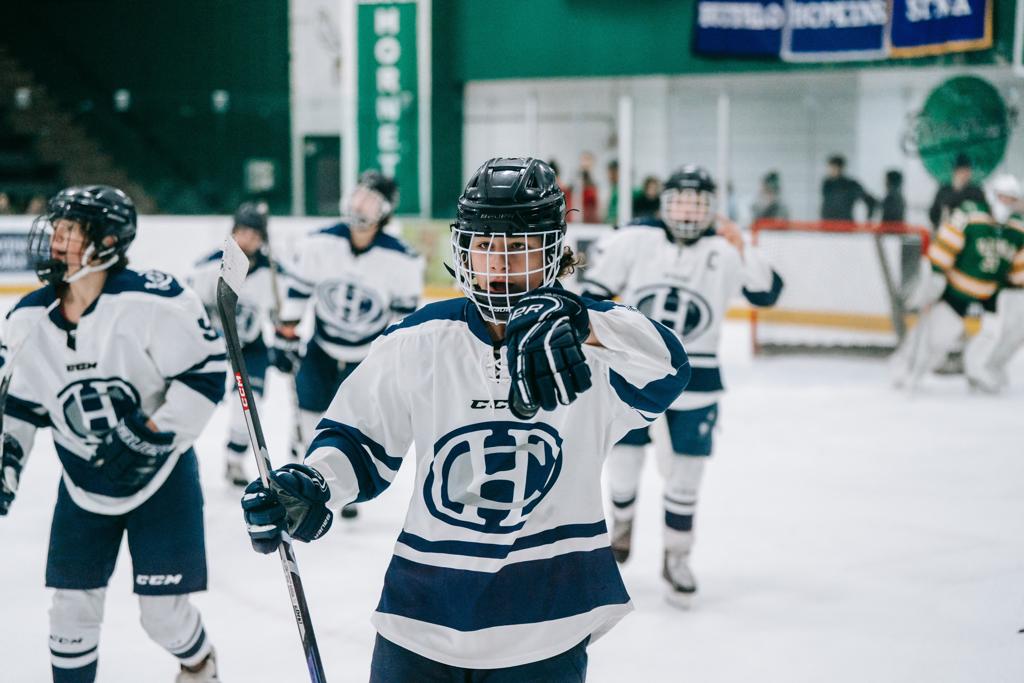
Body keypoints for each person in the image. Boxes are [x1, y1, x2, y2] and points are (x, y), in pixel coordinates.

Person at [239, 157, 691, 681]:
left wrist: (583, 322)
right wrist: (316, 483)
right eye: (483, 245)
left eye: (518, 248)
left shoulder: (592, 342)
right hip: (423, 613)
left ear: (553, 252)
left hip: (547, 621)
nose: (497, 264)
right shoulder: (420, 339)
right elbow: (358, 441)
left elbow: (669, 370)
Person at [0, 186, 226, 681]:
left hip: (161, 477)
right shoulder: (26, 318)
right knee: (68, 616)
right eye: (55, 232)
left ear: (105, 243)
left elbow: (207, 374)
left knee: (163, 618)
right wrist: (8, 457)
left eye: (68, 234)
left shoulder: (153, 301)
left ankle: (200, 663)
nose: (54, 243)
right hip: (84, 483)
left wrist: (151, 432)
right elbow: (17, 404)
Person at [581, 165, 783, 606]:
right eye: (681, 199)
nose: (688, 209)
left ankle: (676, 555)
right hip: (633, 370)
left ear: (713, 208)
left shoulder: (725, 248)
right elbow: (590, 290)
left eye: (698, 201)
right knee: (624, 458)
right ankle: (623, 523)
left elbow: (766, 292)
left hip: (700, 376)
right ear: (665, 202)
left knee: (688, 474)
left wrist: (744, 245)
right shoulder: (637, 238)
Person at [274, 170, 424, 518]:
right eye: (358, 195)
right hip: (322, 349)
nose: (360, 205)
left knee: (352, 424)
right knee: (310, 419)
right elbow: (299, 291)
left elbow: (401, 319)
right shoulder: (320, 242)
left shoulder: (402, 259)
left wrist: (391, 360)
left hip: (364, 358)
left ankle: (340, 486)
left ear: (384, 211)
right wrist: (287, 334)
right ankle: (303, 484)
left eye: (371, 200)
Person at [891, 173, 1024, 391]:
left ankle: (981, 373)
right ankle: (906, 369)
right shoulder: (970, 216)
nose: (1006, 203)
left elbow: (1019, 269)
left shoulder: (1018, 228)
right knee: (937, 336)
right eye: (1002, 197)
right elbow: (944, 248)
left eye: (1011, 198)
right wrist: (934, 276)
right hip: (958, 292)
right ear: (991, 196)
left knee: (994, 336)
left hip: (991, 295)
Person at [189, 201, 285, 486]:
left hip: (251, 346)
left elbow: (281, 315)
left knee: (249, 403)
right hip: (214, 345)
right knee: (196, 399)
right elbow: (192, 307)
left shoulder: (272, 274)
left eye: (256, 235)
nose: (249, 239)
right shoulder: (208, 267)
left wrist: (284, 343)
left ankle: (234, 459)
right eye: (244, 232)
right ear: (233, 232)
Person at [928, 153, 985, 232]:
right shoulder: (944, 190)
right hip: (948, 233)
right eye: (962, 171)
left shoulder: (976, 191)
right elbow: (933, 215)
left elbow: (984, 213)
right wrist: (957, 188)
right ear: (955, 172)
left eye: (967, 171)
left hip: (970, 232)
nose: (965, 174)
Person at [820, 154, 876, 221]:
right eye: (830, 167)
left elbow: (871, 201)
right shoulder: (827, 183)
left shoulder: (851, 185)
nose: (830, 170)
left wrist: (868, 220)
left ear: (840, 168)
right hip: (827, 225)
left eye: (833, 167)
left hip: (845, 226)